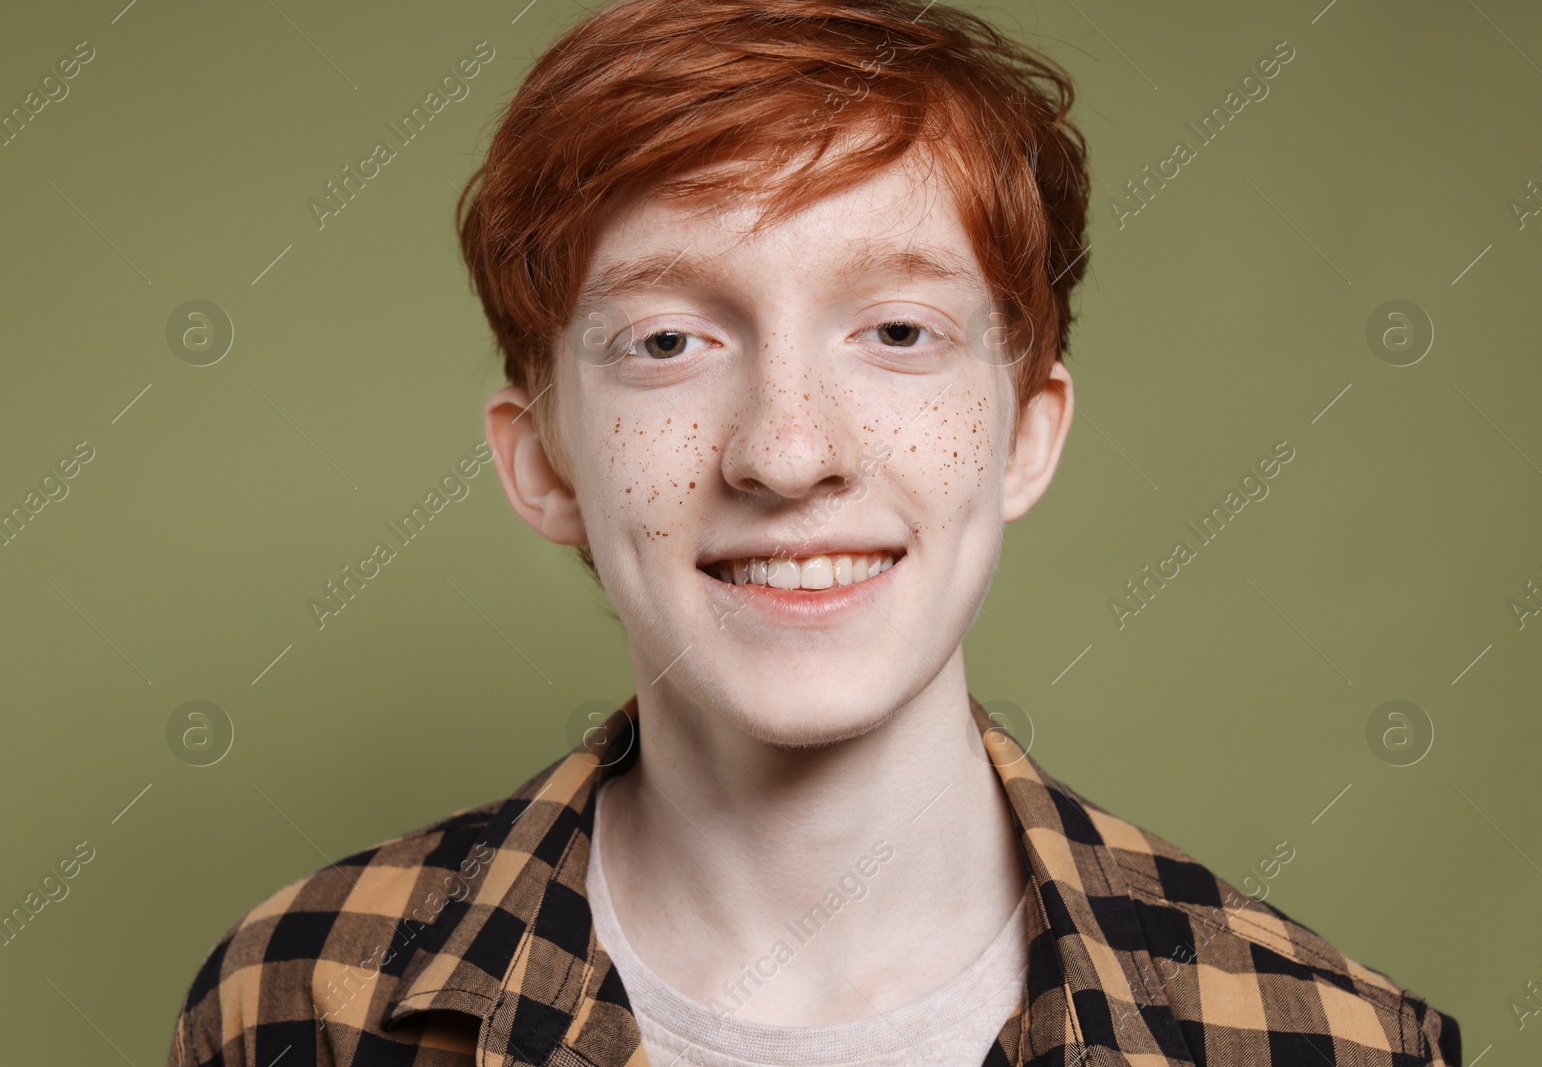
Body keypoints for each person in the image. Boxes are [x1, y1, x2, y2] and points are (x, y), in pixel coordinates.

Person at [166, 1, 1461, 1064]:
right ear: (544, 461)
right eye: (669, 343)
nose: (789, 452)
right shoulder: (300, 1010)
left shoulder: (1331, 1042)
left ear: (1026, 433)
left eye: (897, 332)